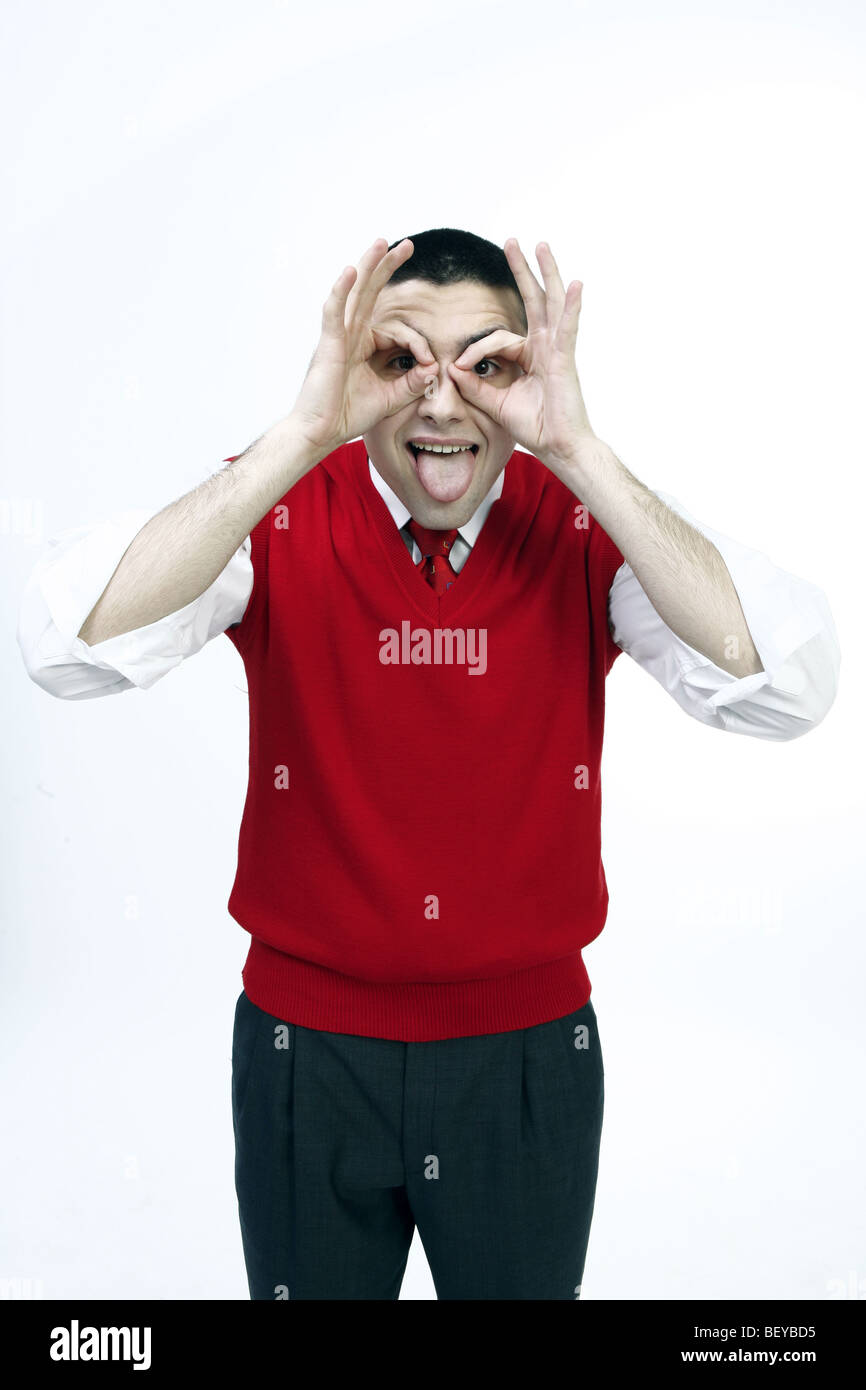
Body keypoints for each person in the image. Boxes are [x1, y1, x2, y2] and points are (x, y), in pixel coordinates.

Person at [17, 228, 840, 1300]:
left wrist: (579, 449)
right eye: (401, 361)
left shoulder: (586, 525)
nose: (443, 404)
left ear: (531, 374)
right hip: (302, 1053)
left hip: (525, 1059)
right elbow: (64, 646)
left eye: (487, 365)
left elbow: (785, 684)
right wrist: (301, 437)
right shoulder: (277, 508)